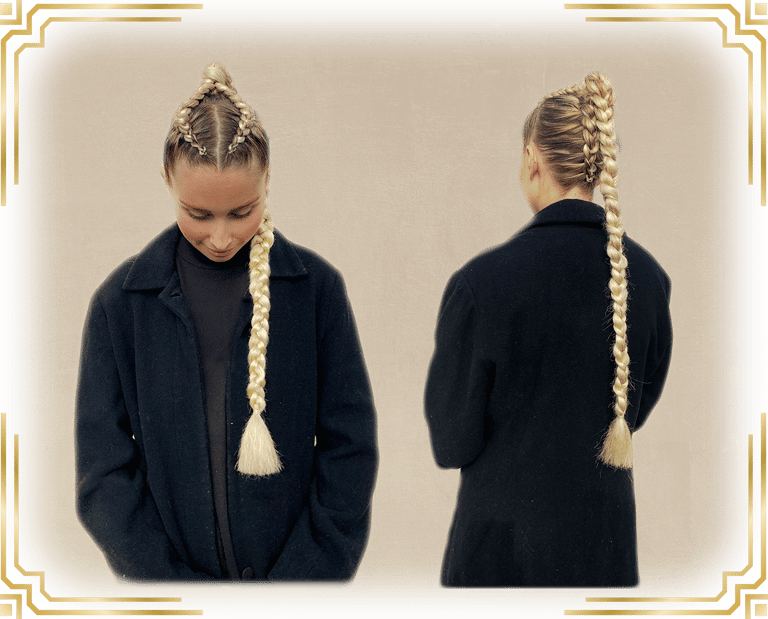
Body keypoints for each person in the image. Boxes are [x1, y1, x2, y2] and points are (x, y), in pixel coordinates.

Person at [74, 64, 379, 583]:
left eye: (242, 212)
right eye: (198, 214)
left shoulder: (317, 289)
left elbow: (350, 448)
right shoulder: (118, 304)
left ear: (268, 180)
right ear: (167, 178)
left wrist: (299, 590)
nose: (220, 237)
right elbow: (102, 475)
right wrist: (171, 593)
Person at [423, 72, 673, 588]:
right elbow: (631, 412)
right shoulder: (648, 279)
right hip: (604, 558)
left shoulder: (479, 284)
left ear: (533, 161)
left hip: (497, 563)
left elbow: (451, 442)